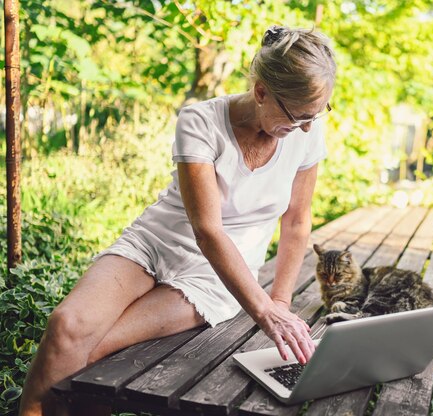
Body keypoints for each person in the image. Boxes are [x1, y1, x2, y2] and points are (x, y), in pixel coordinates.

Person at [19, 25, 336, 416]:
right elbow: (207, 229)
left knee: (94, 349)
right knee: (67, 327)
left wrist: (281, 302)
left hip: (215, 276)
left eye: (317, 114)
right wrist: (264, 312)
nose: (306, 126)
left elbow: (297, 222)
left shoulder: (306, 131)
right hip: (156, 242)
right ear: (261, 92)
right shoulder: (200, 122)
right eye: (298, 116)